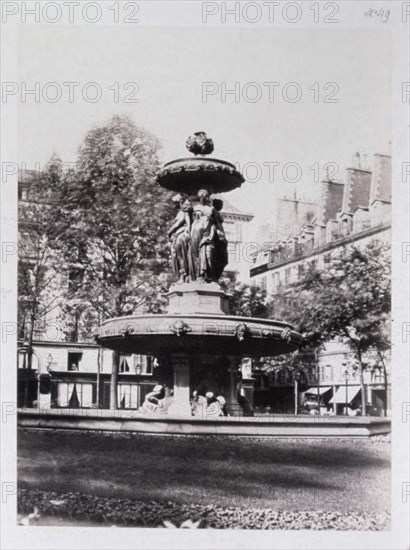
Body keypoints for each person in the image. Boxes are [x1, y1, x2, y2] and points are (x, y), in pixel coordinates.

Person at [167, 194, 196, 282]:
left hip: (181, 236)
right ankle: (182, 276)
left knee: (180, 256)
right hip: (178, 235)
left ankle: (184, 276)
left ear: (180, 202)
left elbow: (179, 223)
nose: (173, 205)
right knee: (178, 256)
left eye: (175, 202)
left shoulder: (184, 211)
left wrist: (169, 232)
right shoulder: (181, 212)